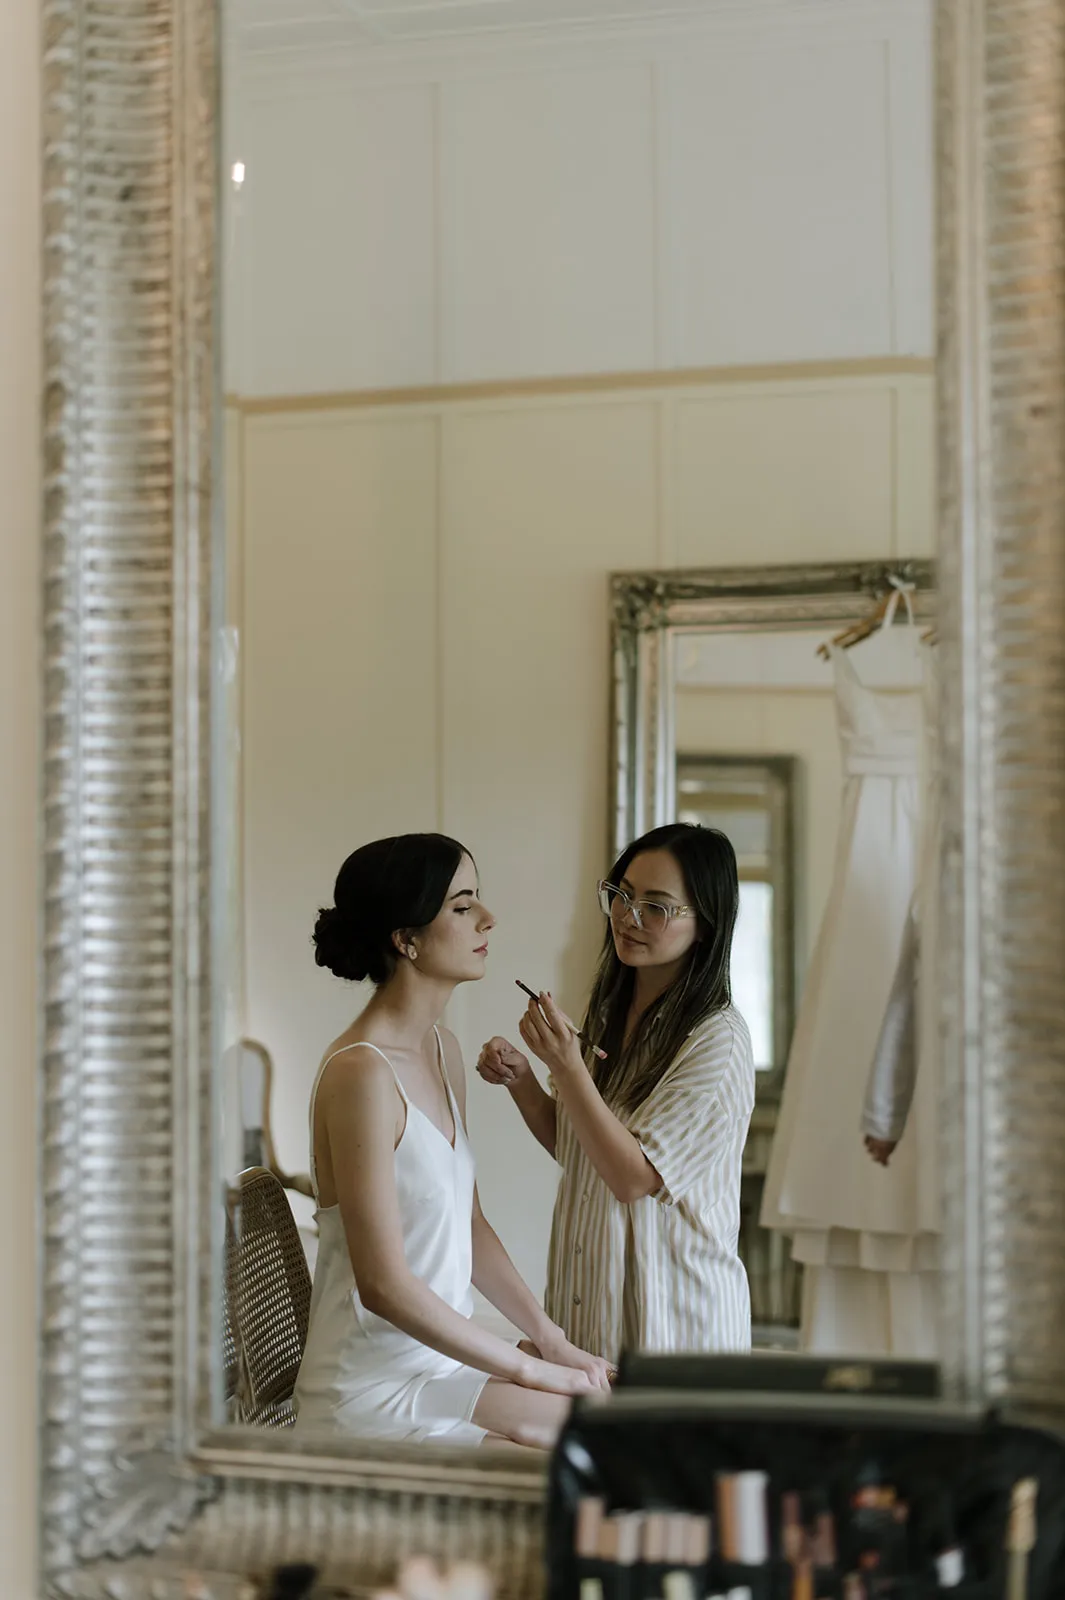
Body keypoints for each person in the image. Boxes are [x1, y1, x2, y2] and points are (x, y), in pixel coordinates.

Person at [292, 833, 612, 1450]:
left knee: (616, 1434)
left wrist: (551, 1339)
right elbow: (382, 1286)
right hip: (369, 1394)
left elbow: (468, 1223)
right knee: (592, 1465)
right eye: (462, 906)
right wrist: (524, 1367)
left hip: (437, 1369)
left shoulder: (443, 1050)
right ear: (405, 939)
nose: (488, 919)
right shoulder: (361, 1072)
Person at [478, 822, 755, 1363]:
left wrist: (568, 1066)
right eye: (622, 895)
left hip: (674, 1324)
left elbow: (632, 1177)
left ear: (706, 925)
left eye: (657, 906)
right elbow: (581, 1148)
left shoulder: (717, 1040)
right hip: (591, 1300)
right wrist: (523, 1081)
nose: (629, 917)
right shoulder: (611, 1010)